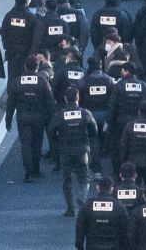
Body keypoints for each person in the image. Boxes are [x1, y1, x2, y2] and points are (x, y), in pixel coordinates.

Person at [48, 86, 97, 217]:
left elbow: (51, 130)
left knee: (66, 179)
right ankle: (82, 197)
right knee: (84, 176)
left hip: (66, 150)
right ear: (78, 98)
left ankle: (70, 209)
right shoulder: (85, 113)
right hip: (82, 150)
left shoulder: (60, 114)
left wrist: (59, 140)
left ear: (65, 98)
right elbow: (94, 130)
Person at [6, 54, 54, 182]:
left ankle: (28, 172)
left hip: (23, 117)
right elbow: (50, 102)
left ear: (25, 66)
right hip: (39, 117)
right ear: (37, 67)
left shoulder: (17, 82)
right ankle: (36, 169)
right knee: (37, 144)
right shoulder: (42, 82)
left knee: (25, 144)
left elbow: (10, 103)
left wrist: (8, 119)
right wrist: (51, 119)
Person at [108, 62, 146, 174]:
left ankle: (119, 172)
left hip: (120, 122)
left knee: (119, 147)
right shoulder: (144, 86)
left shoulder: (119, 86)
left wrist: (109, 123)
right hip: (138, 121)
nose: (121, 73)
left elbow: (112, 106)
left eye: (122, 71)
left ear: (127, 72)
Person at [78, 57, 113, 174]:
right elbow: (112, 99)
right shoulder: (108, 80)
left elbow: (80, 99)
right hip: (104, 114)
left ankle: (95, 165)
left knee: (93, 140)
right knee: (103, 139)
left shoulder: (84, 80)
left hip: (89, 114)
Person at [75, 176, 129, 250]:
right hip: (114, 246)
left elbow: (80, 228)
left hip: (92, 246)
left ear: (97, 188)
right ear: (112, 189)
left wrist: (79, 246)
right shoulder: (119, 206)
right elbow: (125, 229)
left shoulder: (87, 205)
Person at [1, 0, 37, 81]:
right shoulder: (31, 17)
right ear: (28, 0)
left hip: (12, 52)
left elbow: (4, 33)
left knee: (12, 78)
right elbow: (35, 37)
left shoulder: (8, 16)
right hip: (26, 53)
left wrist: (7, 47)